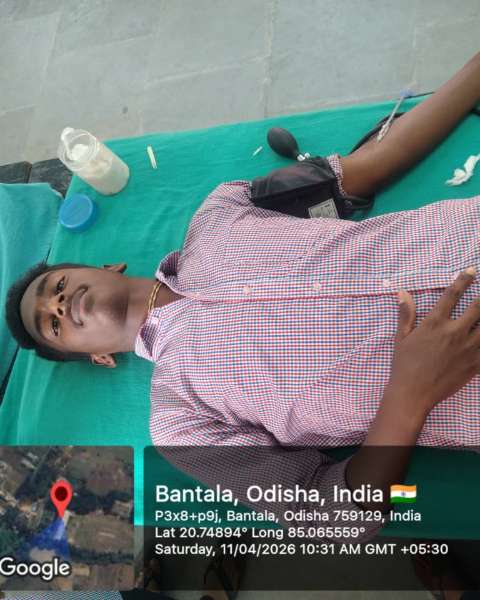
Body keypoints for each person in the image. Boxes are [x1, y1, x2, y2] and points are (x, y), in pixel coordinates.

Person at [5, 51, 480, 542]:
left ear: (107, 266)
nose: (58, 305)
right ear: (100, 358)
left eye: (56, 287)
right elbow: (328, 514)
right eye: (52, 324)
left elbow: (365, 169)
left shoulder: (221, 213)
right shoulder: (181, 423)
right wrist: (409, 395)